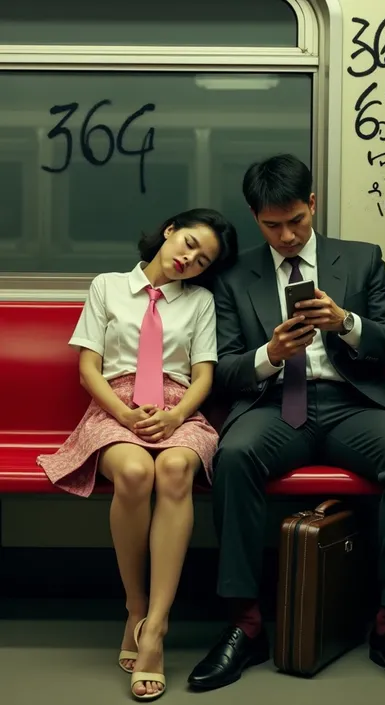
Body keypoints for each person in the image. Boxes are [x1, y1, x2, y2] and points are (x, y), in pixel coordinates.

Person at [187, 155, 385, 696]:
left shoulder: (362, 260)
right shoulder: (233, 278)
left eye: (297, 220)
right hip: (277, 406)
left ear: (313, 205)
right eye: (273, 225)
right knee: (234, 457)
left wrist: (346, 323)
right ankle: (246, 623)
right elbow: (224, 370)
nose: (288, 235)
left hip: (351, 404)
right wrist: (269, 354)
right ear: (255, 217)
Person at [37, 208, 238, 701]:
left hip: (180, 408)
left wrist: (173, 418)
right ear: (169, 232)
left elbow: (205, 376)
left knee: (172, 469)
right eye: (188, 243)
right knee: (132, 472)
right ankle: (135, 607)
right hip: (114, 405)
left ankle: (157, 628)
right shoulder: (107, 286)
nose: (189, 259)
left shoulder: (201, 302)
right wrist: (125, 417)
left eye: (202, 259)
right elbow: (89, 369)